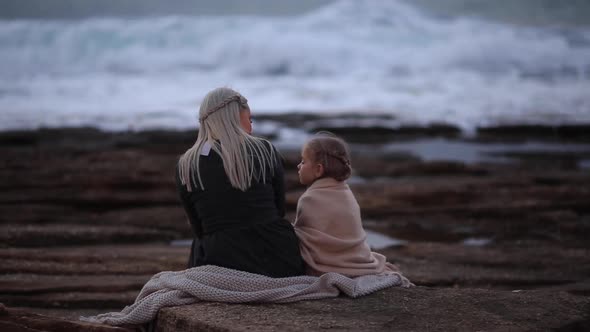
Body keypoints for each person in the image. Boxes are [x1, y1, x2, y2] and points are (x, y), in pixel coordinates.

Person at [176, 87, 305, 278]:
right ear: (234, 119)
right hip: (277, 258)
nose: (251, 128)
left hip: (218, 263)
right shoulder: (265, 150)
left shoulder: (187, 164)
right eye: (249, 120)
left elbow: (198, 228)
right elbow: (279, 210)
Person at [293, 133, 399, 277]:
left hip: (327, 265)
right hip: (356, 258)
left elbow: (304, 241)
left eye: (303, 161)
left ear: (318, 170)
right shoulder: (346, 192)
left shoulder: (310, 199)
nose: (298, 165)